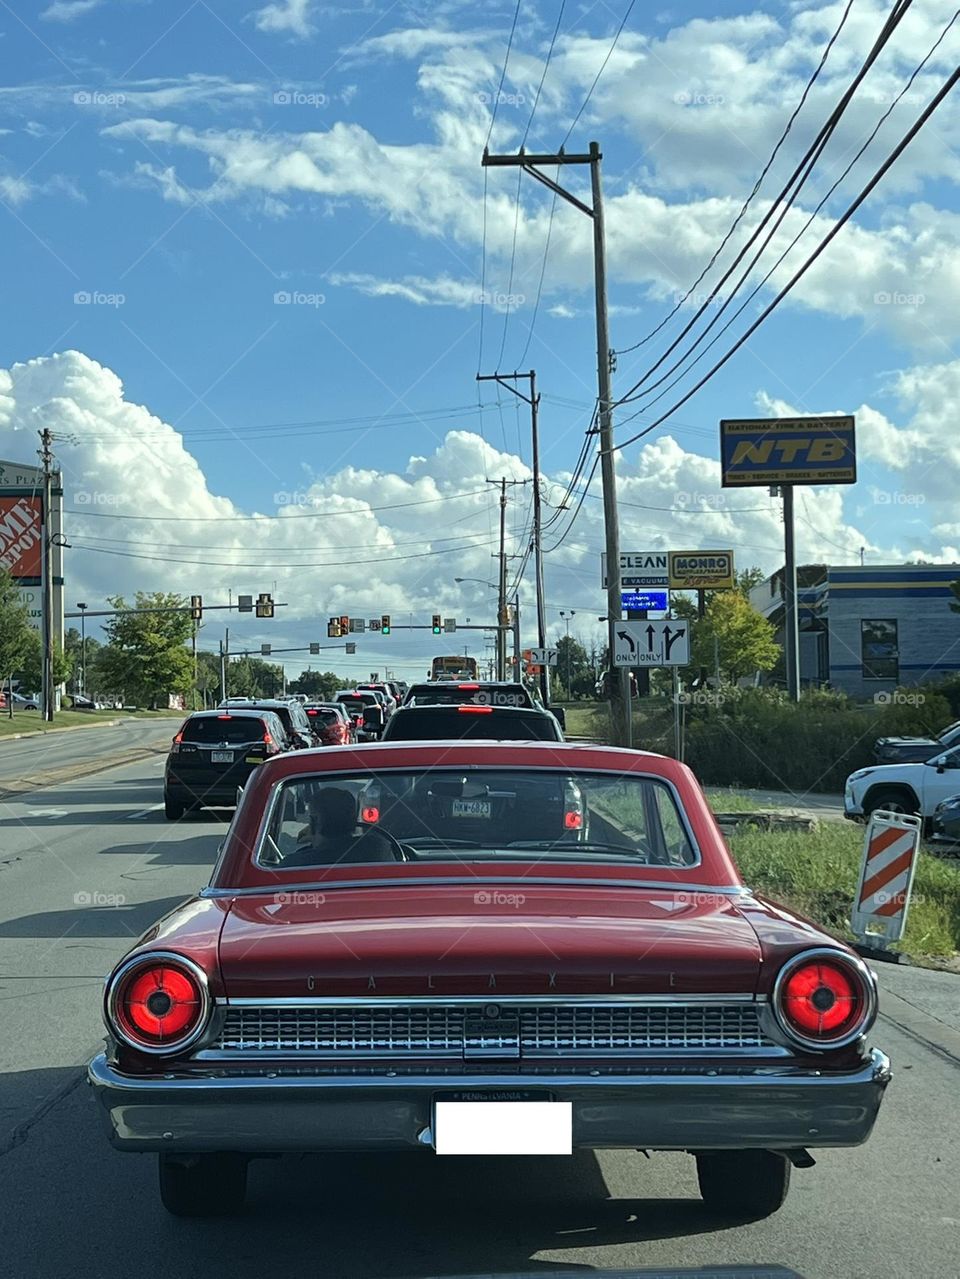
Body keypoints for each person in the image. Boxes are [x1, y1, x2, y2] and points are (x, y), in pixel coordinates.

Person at [281, 786, 397, 866]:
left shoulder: (294, 864)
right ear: (353, 819)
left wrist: (315, 838)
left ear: (314, 820)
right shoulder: (379, 849)